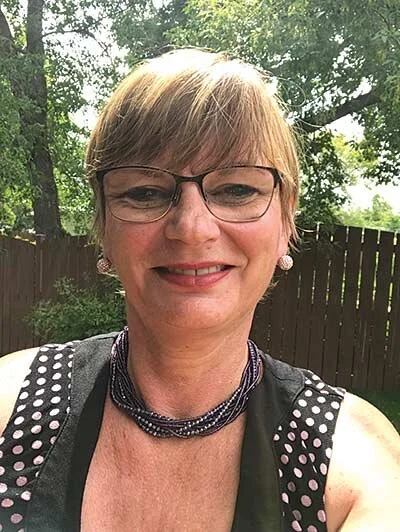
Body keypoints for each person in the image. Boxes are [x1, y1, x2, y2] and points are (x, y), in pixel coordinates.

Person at [0, 48, 399, 532]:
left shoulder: (354, 463)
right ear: (103, 225)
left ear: (286, 220)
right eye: (145, 192)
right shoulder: (11, 406)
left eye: (237, 190)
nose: (191, 228)